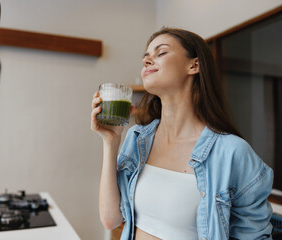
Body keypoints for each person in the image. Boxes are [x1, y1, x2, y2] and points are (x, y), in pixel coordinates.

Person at [91, 27, 274, 240]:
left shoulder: (232, 152)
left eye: (160, 53)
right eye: (146, 58)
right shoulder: (137, 138)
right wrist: (110, 141)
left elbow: (255, 236)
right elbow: (111, 219)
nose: (147, 61)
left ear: (194, 65)